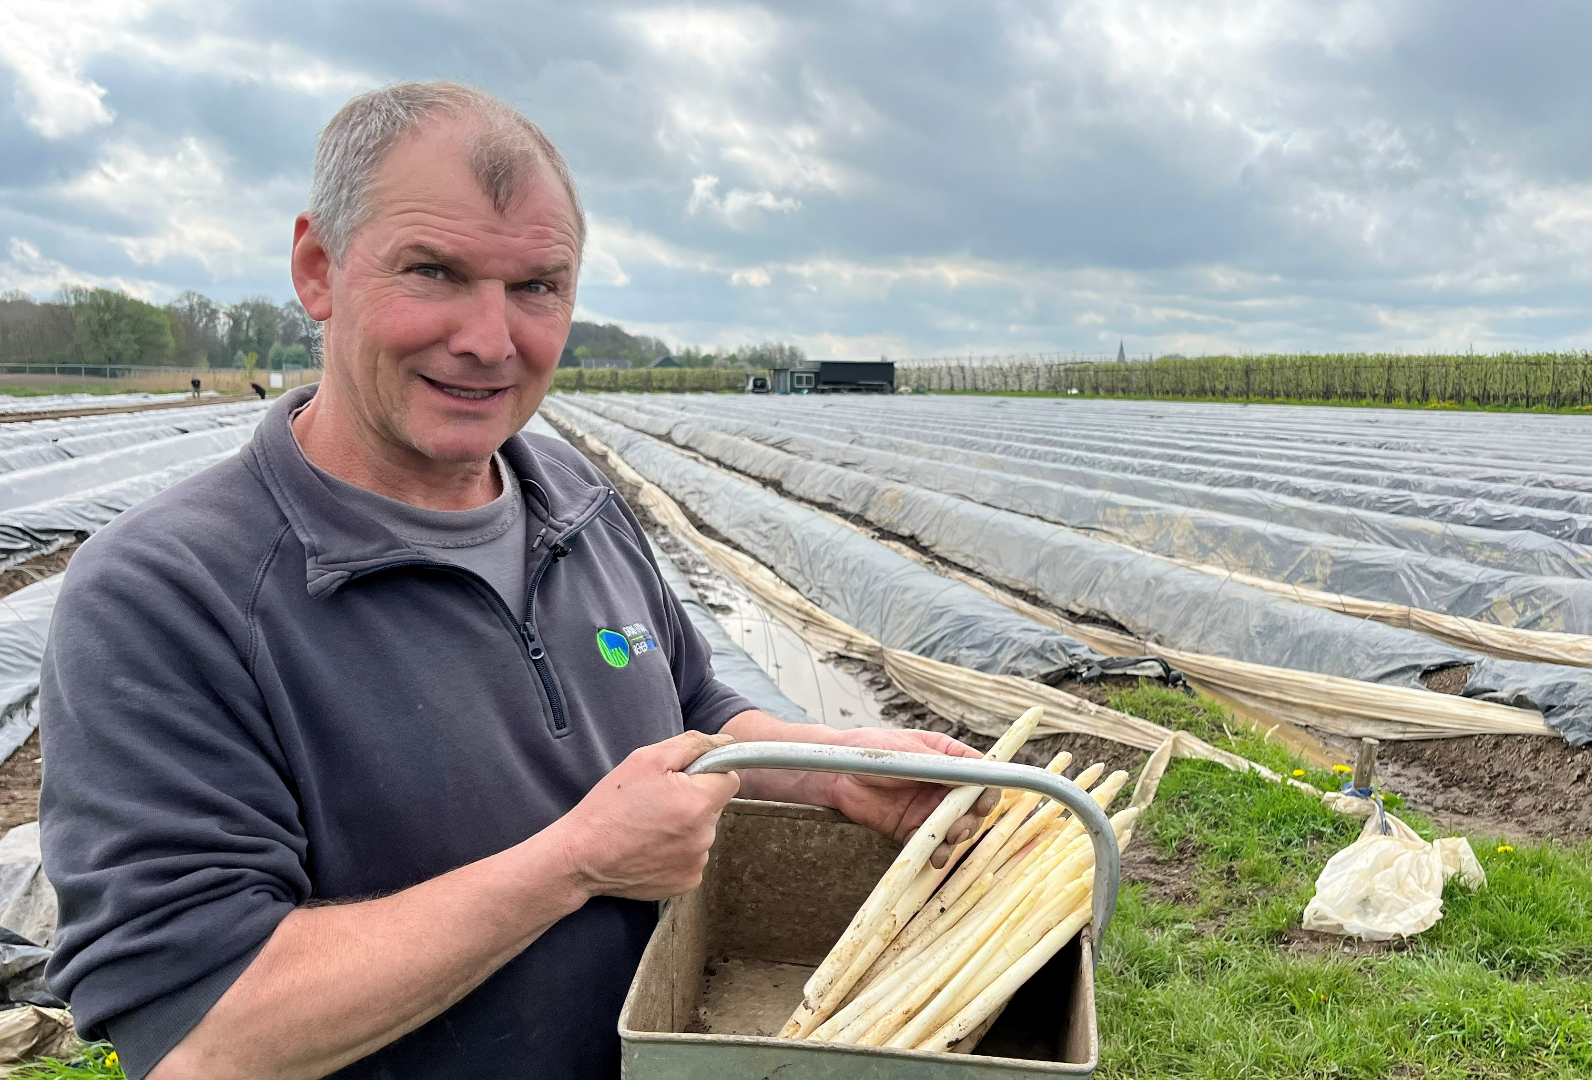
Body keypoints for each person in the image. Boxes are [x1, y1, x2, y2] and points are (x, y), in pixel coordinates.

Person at [38, 82, 994, 1080]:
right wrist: (574, 861)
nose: (492, 341)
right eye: (435, 271)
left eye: (537, 286)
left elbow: (693, 712)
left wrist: (837, 767)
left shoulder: (570, 496)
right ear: (319, 270)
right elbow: (206, 1035)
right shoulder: (166, 595)